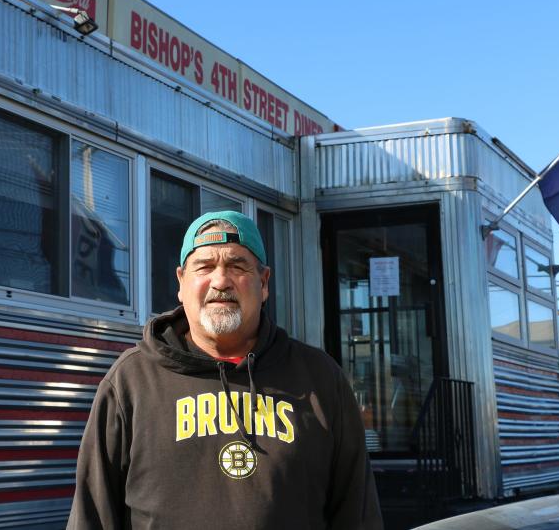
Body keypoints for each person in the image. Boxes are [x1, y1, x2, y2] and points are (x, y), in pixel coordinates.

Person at [68, 210, 383, 529]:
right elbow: (92, 515)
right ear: (181, 282)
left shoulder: (320, 380)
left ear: (263, 283)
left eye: (237, 265)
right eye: (204, 266)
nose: (220, 281)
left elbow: (357, 513)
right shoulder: (130, 383)